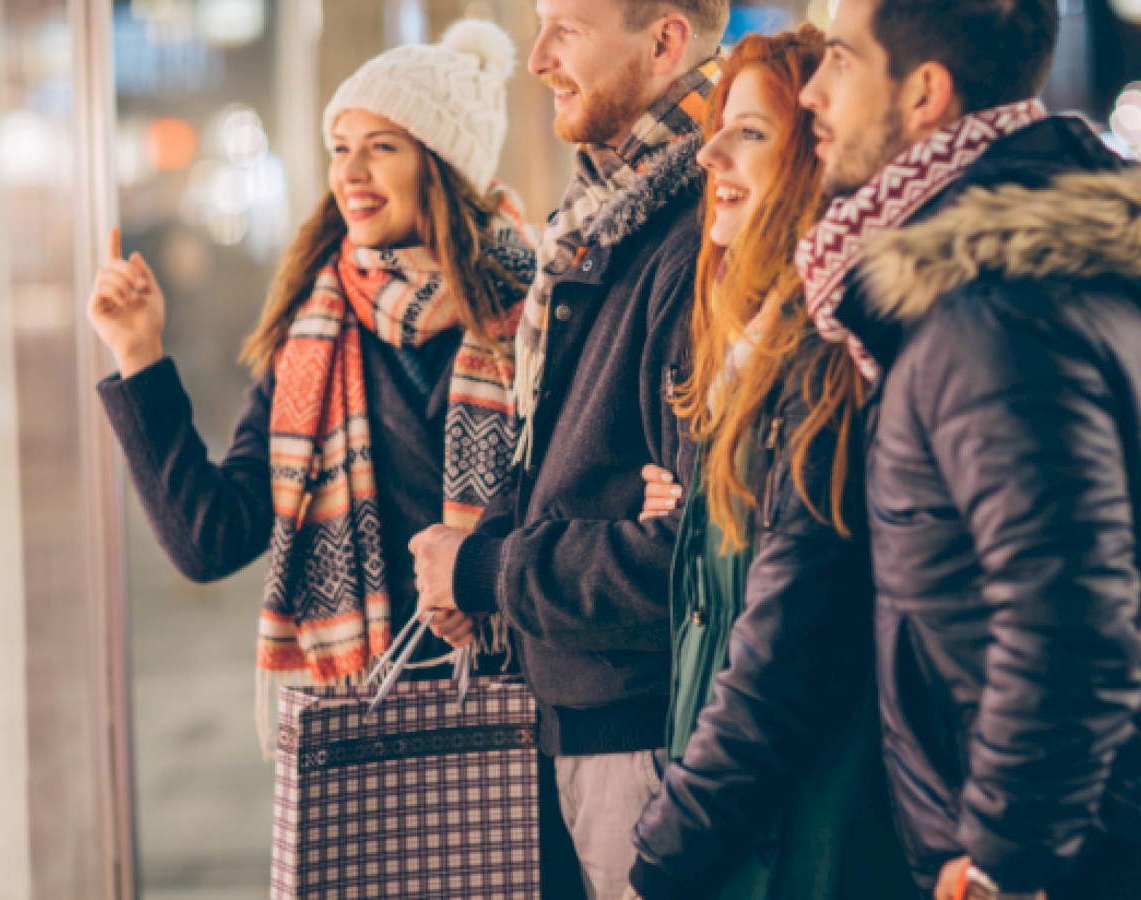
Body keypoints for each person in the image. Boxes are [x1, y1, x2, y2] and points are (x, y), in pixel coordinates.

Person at [86, 20, 537, 755]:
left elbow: (573, 512)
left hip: (520, 711)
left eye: (381, 147)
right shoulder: (315, 336)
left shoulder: (538, 312)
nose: (350, 172)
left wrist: (485, 577)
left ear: (443, 164)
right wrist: (139, 352)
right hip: (368, 732)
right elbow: (211, 538)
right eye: (339, 149)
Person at [795, 0, 1141, 897]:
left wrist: (1004, 861)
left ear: (923, 94)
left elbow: (1068, 611)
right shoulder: (1046, 262)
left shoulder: (990, 314)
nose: (809, 93)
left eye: (838, 60)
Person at [409, 0, 728, 896]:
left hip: (644, 724)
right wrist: (485, 560)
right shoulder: (604, 212)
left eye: (567, 29)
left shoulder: (702, 228)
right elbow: (564, 462)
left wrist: (488, 572)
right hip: (583, 704)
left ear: (665, 41)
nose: (538, 57)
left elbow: (690, 555)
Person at [621, 26, 913, 900]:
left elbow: (781, 659)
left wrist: (663, 852)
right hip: (750, 839)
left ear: (815, 157)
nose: (709, 151)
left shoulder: (825, 365)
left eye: (749, 132)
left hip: (807, 849)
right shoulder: (740, 359)